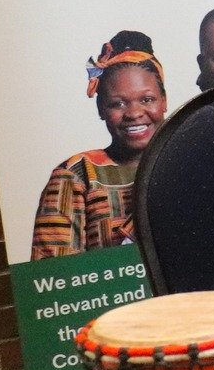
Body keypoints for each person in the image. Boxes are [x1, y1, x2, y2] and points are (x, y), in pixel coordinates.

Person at [30, 31, 167, 259]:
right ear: (101, 109)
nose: (134, 113)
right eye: (118, 103)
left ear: (164, 101)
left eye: (147, 99)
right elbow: (56, 279)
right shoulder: (76, 175)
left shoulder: (190, 162)